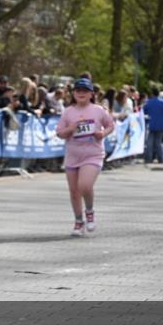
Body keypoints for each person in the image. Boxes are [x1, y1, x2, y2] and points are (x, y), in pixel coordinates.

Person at [56, 77, 114, 237]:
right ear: (73, 93)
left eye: (85, 91)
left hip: (93, 155)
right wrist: (70, 129)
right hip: (73, 157)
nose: (81, 93)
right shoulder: (68, 112)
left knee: (85, 186)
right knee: (74, 192)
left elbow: (110, 125)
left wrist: (102, 133)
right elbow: (59, 133)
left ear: (91, 94)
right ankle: (78, 222)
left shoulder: (98, 110)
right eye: (78, 91)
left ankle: (89, 211)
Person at [143, 87, 163, 164]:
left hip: (151, 124)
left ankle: (148, 158)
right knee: (159, 142)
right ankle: (161, 159)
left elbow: (144, 112)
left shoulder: (148, 102)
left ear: (152, 93)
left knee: (149, 142)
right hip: (161, 124)